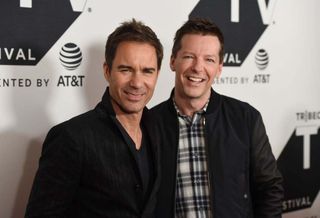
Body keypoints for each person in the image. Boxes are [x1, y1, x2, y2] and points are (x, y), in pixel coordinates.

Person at [25, 19, 163, 218]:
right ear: (107, 71)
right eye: (126, 69)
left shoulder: (159, 130)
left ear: (157, 74)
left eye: (147, 71)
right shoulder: (71, 137)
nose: (137, 82)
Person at [151, 18, 283, 218]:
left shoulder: (246, 119)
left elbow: (269, 188)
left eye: (209, 59)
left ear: (219, 68)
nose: (197, 67)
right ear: (172, 61)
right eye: (189, 56)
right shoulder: (149, 124)